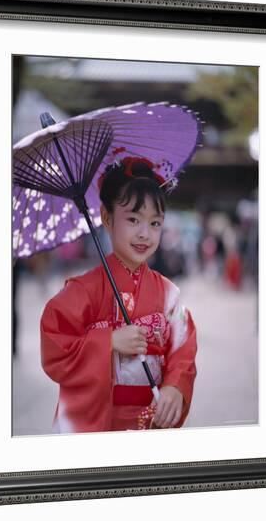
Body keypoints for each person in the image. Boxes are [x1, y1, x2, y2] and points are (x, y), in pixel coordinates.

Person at [40, 156, 197, 433]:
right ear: (106, 217)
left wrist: (174, 387)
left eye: (155, 223)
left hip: (151, 418)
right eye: (133, 219)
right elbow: (55, 345)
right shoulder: (82, 290)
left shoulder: (169, 294)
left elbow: (183, 348)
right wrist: (108, 341)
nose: (144, 234)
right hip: (97, 421)